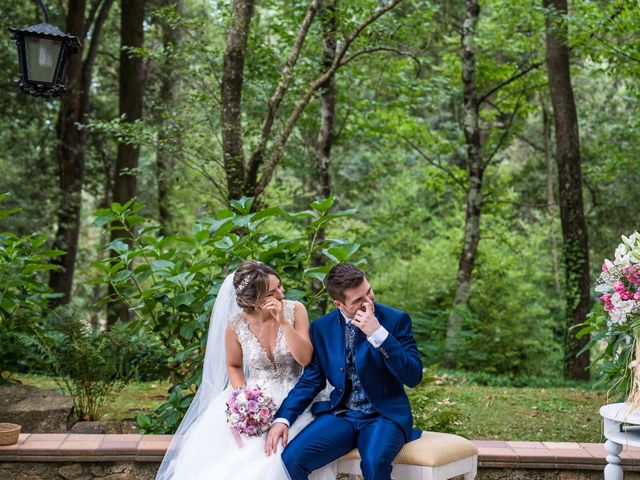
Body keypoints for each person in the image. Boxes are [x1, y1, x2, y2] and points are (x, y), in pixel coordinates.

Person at [155, 260, 336, 480]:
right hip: (255, 399)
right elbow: (234, 366)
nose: (281, 293)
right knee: (241, 460)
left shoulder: (295, 310)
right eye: (273, 291)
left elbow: (306, 359)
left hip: (298, 395)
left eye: (279, 285)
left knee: (281, 454)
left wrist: (284, 323)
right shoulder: (236, 326)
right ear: (255, 300)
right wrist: (243, 398)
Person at [266, 262, 423, 480]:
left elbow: (413, 376)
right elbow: (311, 381)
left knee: (374, 463)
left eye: (369, 292)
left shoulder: (396, 320)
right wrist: (282, 419)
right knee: (292, 458)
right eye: (358, 300)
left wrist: (378, 333)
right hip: (342, 414)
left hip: (384, 416)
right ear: (339, 304)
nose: (368, 301)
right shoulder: (322, 328)